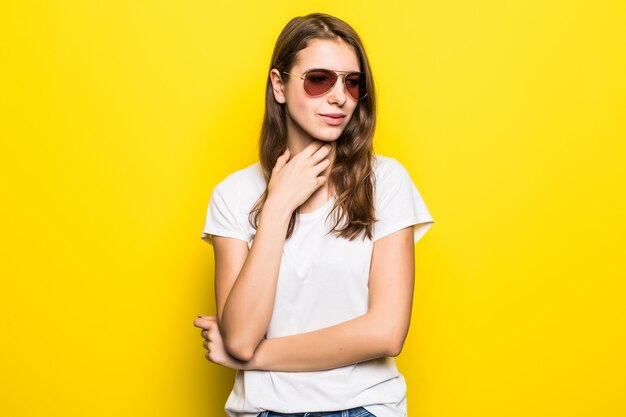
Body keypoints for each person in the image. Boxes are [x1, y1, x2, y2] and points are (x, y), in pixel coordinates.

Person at [193, 12, 434, 417]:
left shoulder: (387, 182)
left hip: (363, 408)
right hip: (263, 411)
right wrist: (276, 208)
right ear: (279, 85)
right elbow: (239, 336)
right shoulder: (233, 195)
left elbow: (387, 333)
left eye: (352, 82)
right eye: (319, 79)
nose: (339, 96)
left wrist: (254, 358)